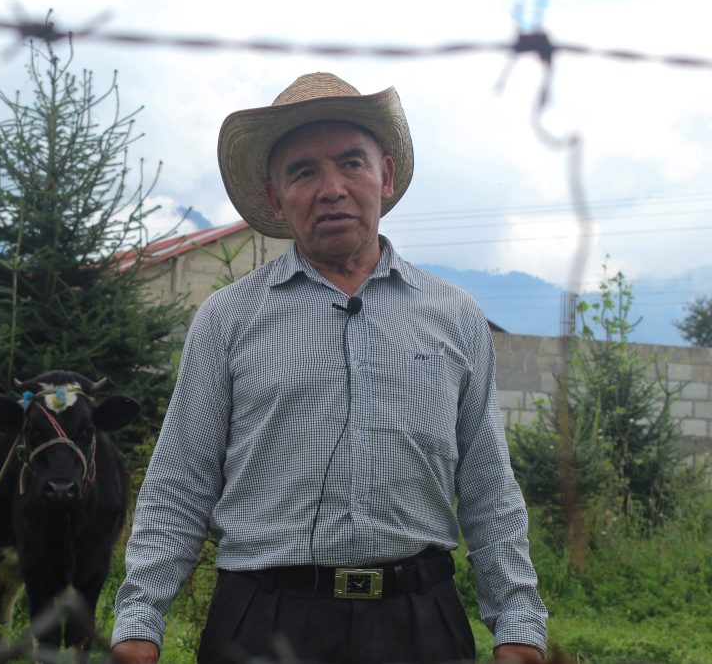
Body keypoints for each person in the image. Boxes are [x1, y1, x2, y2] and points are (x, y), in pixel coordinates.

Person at [110, 73, 548, 664]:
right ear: (275, 196)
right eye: (304, 172)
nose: (332, 188)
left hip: (419, 625)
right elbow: (180, 482)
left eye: (351, 164)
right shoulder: (228, 319)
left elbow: (488, 487)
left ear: (385, 176)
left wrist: (518, 624)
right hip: (262, 623)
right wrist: (140, 622)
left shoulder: (456, 317)